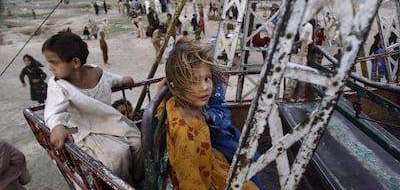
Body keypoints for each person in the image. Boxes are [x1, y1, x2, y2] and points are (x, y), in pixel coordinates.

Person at [41, 32, 143, 186]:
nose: (50, 68)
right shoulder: (58, 85)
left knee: (138, 142)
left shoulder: (97, 72)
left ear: (75, 62)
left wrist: (123, 80)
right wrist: (56, 126)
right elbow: (53, 109)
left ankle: (137, 178)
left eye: (54, 62)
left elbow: (112, 79)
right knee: (117, 155)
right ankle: (122, 185)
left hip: (110, 123)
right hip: (87, 132)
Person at [159, 42, 259, 189]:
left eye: (207, 78)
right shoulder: (185, 134)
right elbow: (191, 182)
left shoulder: (184, 106)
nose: (205, 87)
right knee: (248, 166)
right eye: (194, 81)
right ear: (176, 87)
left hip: (213, 160)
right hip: (208, 177)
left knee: (252, 158)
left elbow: (220, 110)